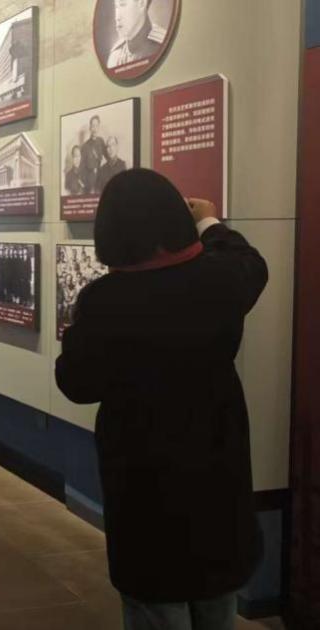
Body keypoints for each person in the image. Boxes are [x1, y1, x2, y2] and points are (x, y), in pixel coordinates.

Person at [55, 169, 268, 630]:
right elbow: (248, 260)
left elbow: (76, 383)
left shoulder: (104, 301)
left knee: (156, 603)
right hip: (217, 473)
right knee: (217, 597)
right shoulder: (219, 280)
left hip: (144, 484)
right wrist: (208, 221)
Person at [106, 0, 167, 69]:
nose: (117, 17)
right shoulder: (115, 56)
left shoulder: (163, 45)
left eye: (123, 5)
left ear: (142, 3)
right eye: (116, 7)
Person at [82, 116, 108, 194]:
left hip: (101, 178)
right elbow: (82, 168)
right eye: (93, 126)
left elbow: (108, 158)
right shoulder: (85, 146)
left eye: (96, 126)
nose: (94, 129)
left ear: (99, 127)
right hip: (90, 182)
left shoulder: (101, 141)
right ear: (90, 128)